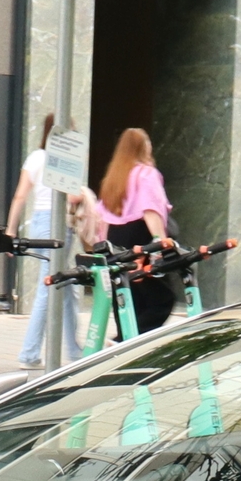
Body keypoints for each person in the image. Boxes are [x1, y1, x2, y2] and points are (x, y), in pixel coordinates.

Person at [6, 113, 95, 367]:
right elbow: (72, 197)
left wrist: (11, 231)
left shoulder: (35, 157)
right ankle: (29, 353)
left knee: (66, 289)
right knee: (49, 287)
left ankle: (75, 351)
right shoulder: (65, 159)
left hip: (39, 222)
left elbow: (20, 196)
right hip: (58, 223)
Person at [96, 127, 175, 331]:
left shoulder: (113, 178)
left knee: (127, 297)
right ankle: (129, 342)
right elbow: (151, 210)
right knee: (161, 300)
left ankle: (124, 338)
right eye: (148, 142)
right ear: (143, 147)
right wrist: (159, 242)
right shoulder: (146, 174)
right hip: (141, 237)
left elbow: (102, 217)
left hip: (115, 238)